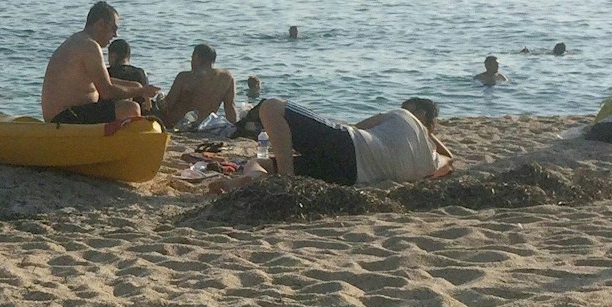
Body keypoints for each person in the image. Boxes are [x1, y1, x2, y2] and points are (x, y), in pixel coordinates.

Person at [229, 97, 452, 186]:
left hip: (349, 146)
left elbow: (355, 128)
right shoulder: (429, 160)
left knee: (271, 106)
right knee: (267, 164)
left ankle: (284, 180)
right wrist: (429, 134)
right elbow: (449, 158)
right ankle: (253, 178)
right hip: (350, 176)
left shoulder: (400, 115)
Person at [40, 2, 160, 124]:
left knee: (128, 96)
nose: (115, 35)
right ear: (100, 25)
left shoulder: (78, 41)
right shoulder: (89, 46)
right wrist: (141, 91)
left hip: (65, 114)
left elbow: (102, 81)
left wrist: (136, 86)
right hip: (65, 117)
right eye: (114, 29)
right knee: (130, 108)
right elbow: (107, 92)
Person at [159, 43, 237, 130]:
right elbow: (230, 107)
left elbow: (168, 105)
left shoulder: (185, 77)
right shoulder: (226, 77)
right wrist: (234, 127)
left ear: (196, 57)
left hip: (180, 124)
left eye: (192, 58)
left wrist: (160, 98)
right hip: (206, 124)